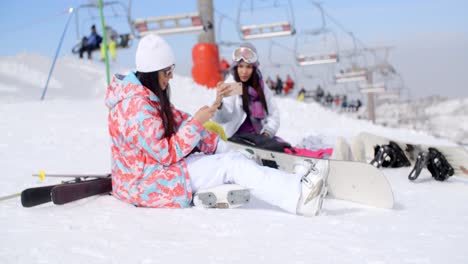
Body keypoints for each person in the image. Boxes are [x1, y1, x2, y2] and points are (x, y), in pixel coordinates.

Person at [104, 34, 328, 216]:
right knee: (231, 165)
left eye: (172, 70)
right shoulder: (136, 107)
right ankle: (299, 196)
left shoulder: (146, 96)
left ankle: (283, 183)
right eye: (167, 72)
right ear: (152, 72)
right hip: (147, 184)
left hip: (153, 174)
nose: (170, 77)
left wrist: (219, 144)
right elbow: (165, 153)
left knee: (231, 159)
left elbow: (181, 122)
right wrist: (198, 123)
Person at [213, 42, 280, 140]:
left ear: (254, 68)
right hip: (236, 138)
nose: (244, 71)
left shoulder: (260, 86)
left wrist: (267, 132)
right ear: (236, 67)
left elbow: (273, 114)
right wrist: (219, 104)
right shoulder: (233, 84)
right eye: (241, 66)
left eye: (248, 67)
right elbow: (223, 118)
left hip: (258, 137)